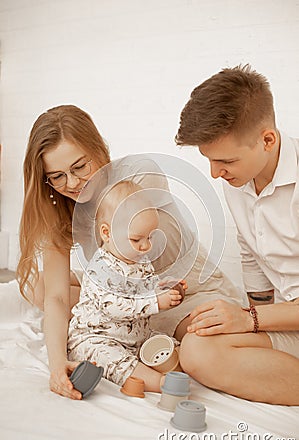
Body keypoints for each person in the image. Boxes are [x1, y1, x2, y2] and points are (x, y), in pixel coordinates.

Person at [17, 104, 243, 400]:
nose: (71, 184)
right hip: (122, 284)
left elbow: (137, 267)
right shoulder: (56, 204)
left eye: (79, 167)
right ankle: (106, 332)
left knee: (197, 340)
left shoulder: (138, 176)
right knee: (39, 285)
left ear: (98, 149)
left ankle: (135, 337)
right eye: (57, 176)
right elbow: (58, 296)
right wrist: (57, 364)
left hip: (170, 288)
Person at [175, 64, 299, 405]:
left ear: (268, 140)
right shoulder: (241, 179)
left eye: (225, 161)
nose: (215, 173)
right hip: (292, 318)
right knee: (197, 345)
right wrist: (250, 319)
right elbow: (253, 256)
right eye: (210, 161)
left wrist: (250, 320)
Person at [68, 180, 183, 392]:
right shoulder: (100, 268)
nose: (146, 245)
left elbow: (145, 287)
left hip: (135, 336)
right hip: (96, 338)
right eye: (136, 239)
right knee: (112, 359)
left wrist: (162, 287)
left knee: (172, 344)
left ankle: (174, 368)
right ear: (107, 233)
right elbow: (115, 306)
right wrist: (155, 302)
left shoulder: (140, 260)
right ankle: (160, 384)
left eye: (149, 237)